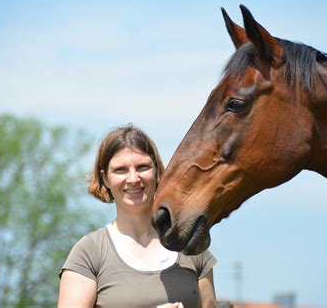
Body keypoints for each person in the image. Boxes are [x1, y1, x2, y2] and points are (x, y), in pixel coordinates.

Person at [57, 124, 217, 308]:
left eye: (142, 167)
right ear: (105, 178)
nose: (133, 179)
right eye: (120, 170)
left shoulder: (188, 245)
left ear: (156, 171)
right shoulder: (89, 253)